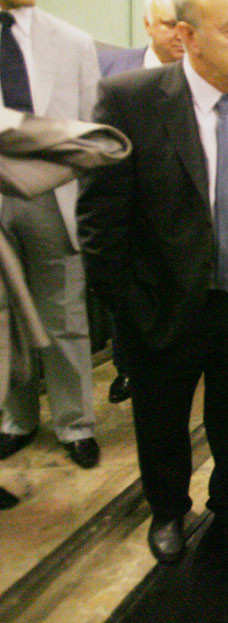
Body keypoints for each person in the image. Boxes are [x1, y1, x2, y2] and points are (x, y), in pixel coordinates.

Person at [77, 0, 228, 565]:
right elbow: (101, 224)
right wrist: (134, 309)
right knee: (161, 422)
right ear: (189, 36)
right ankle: (168, 510)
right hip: (163, 306)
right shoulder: (129, 101)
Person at [0, 0, 102, 469]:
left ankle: (75, 424)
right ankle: (15, 420)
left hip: (52, 196)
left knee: (64, 316)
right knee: (4, 319)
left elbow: (90, 130)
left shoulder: (74, 43)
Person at [98, 0, 185, 406]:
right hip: (129, 212)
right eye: (168, 25)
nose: (178, 35)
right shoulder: (114, 70)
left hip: (184, 215)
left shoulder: (205, 78)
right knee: (128, 298)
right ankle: (127, 368)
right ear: (148, 24)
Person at [99, 0, 184, 76]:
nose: (181, 36)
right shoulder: (105, 66)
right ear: (147, 24)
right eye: (171, 25)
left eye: (188, 26)